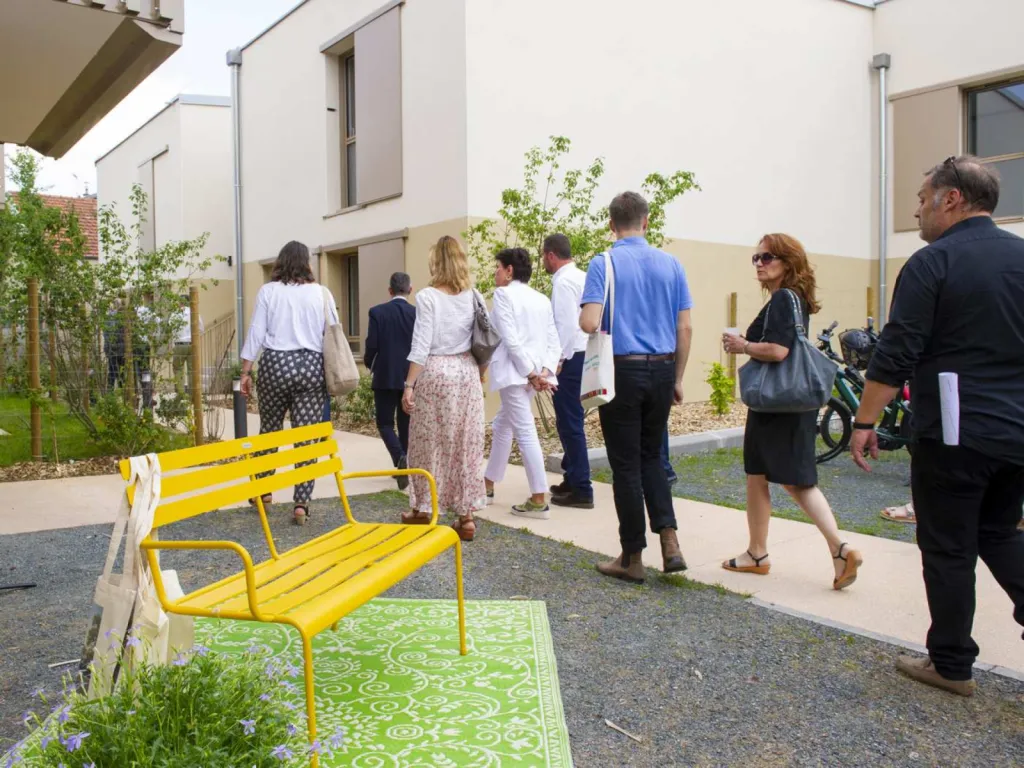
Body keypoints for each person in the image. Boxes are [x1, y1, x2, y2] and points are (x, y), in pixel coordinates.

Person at [851, 156, 1024, 697]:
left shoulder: (933, 262)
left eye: (924, 198)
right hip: (1016, 430)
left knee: (948, 546)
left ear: (952, 199)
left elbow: (895, 352)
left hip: (954, 431)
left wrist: (864, 420)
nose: (917, 209)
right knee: (999, 532)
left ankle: (950, 663)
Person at [721, 234, 862, 590]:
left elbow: (779, 351)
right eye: (756, 258)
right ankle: (762, 552)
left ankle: (836, 547)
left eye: (767, 257)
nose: (759, 264)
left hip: (776, 402)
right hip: (791, 402)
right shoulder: (793, 300)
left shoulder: (784, 299)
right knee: (778, 476)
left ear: (788, 261)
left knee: (780, 477)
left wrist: (743, 345)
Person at [580, 191, 692, 581]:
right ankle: (670, 539)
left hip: (622, 371)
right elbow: (685, 327)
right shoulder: (671, 264)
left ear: (612, 225)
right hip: (662, 370)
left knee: (626, 465)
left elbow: (590, 323)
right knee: (652, 459)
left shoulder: (603, 263)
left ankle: (632, 558)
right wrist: (677, 378)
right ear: (646, 222)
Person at [239, 241, 338, 525]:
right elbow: (332, 331)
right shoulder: (321, 293)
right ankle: (301, 503)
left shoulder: (268, 292)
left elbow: (256, 332)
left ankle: (263, 492)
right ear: (307, 263)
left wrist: (246, 371)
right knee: (305, 437)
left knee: (269, 429)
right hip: (310, 366)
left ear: (280, 262)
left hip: (275, 365)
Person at [402, 236, 486, 541]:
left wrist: (409, 385)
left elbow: (421, 345)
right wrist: (481, 374)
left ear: (436, 262)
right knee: (466, 444)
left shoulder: (427, 297)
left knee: (427, 442)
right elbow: (485, 337)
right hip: (467, 372)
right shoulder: (474, 295)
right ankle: (466, 517)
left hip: (437, 372)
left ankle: (424, 508)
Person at [485, 248, 561, 518]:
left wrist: (532, 373)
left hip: (518, 374)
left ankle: (539, 498)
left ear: (508, 271)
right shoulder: (541, 298)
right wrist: (543, 370)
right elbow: (553, 340)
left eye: (498, 267)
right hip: (532, 374)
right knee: (502, 424)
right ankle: (488, 484)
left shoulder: (503, 294)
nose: (495, 272)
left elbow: (509, 338)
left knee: (525, 431)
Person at [542, 233, 594, 509]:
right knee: (572, 421)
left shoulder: (563, 283)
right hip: (587, 355)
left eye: (543, 256)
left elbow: (565, 326)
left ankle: (582, 487)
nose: (543, 261)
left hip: (571, 358)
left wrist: (556, 361)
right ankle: (572, 477)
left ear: (551, 255)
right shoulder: (584, 277)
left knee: (570, 422)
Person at [364, 272, 417, 490]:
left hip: (385, 374)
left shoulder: (377, 312)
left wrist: (369, 363)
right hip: (409, 376)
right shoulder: (417, 313)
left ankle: (399, 459)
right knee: (405, 423)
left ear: (390, 290)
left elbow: (372, 344)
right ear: (410, 290)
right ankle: (404, 466)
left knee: (385, 423)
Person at [171, 296, 203, 395]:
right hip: (192, 344)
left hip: (179, 344)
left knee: (178, 369)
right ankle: (192, 396)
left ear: (180, 302)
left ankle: (181, 395)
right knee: (192, 371)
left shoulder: (175, 314)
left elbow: (171, 329)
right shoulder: (195, 313)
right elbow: (201, 329)